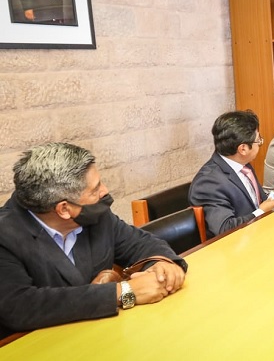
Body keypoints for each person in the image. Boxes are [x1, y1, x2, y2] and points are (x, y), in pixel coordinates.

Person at [0, 143, 188, 339]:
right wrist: (123, 292)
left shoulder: (94, 215)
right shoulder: (6, 236)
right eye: (95, 189)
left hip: (103, 336)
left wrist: (163, 264)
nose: (104, 191)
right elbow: (19, 306)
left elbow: (141, 243)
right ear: (64, 209)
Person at [189, 110, 274, 238]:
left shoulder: (242, 164)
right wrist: (261, 211)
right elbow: (224, 229)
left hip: (258, 234)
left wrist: (273, 198)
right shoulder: (209, 183)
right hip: (234, 245)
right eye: (258, 141)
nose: (260, 144)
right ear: (243, 149)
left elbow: (252, 203)